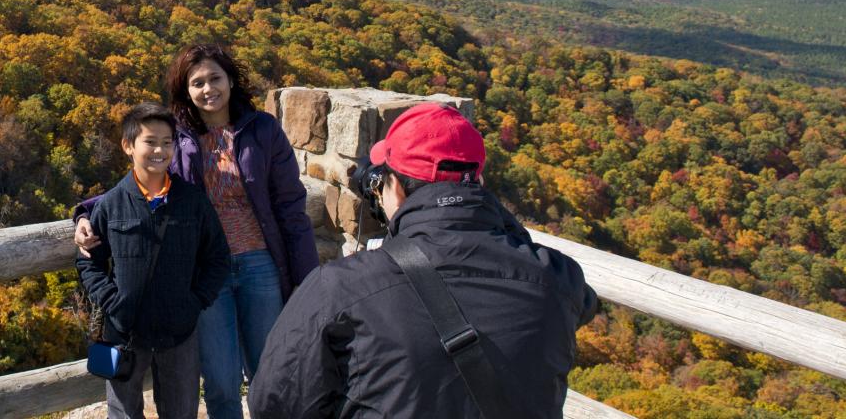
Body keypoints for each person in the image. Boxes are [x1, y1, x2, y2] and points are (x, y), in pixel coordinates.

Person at [248, 102, 599, 419]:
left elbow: (273, 402)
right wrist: (490, 216)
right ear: (479, 181)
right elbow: (579, 302)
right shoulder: (558, 276)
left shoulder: (340, 287)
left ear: (394, 188)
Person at [76, 44, 319, 419]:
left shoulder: (263, 130)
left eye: (215, 78)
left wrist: (306, 276)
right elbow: (145, 178)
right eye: (197, 82)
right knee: (220, 381)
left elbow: (290, 206)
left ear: (231, 80)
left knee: (269, 373)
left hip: (260, 264)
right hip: (204, 271)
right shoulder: (180, 138)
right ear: (185, 91)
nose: (209, 89)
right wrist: (84, 211)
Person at [77, 102, 231, 419]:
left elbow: (217, 258)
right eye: (150, 141)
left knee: (181, 411)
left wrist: (195, 301)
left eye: (166, 142)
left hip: (180, 331)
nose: (159, 150)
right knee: (122, 412)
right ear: (128, 146)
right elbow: (89, 264)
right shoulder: (111, 205)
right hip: (124, 332)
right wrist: (112, 302)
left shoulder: (192, 201)